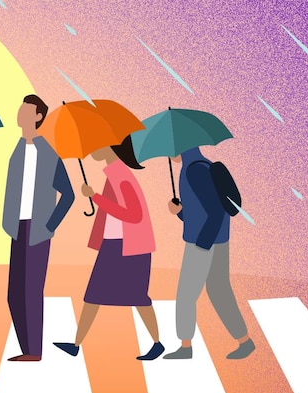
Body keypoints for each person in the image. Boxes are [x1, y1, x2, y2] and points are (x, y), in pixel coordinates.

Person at [53, 135, 164, 360]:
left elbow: (133, 215)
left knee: (138, 298)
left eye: (96, 143)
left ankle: (157, 343)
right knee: (93, 295)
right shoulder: (114, 173)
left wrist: (95, 197)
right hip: (115, 244)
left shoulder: (120, 175)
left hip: (129, 247)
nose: (92, 148)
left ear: (110, 146)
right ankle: (76, 344)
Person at [163, 146, 255, 360]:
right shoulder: (202, 166)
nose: (170, 155)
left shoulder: (193, 171)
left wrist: (202, 245)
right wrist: (181, 212)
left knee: (186, 294)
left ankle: (185, 347)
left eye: (171, 150)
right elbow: (200, 212)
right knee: (219, 290)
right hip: (219, 239)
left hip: (202, 242)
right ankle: (244, 340)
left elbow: (214, 211)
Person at [2, 95, 75, 362]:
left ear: (37, 117)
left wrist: (49, 225)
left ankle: (33, 351)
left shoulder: (48, 153)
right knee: (13, 294)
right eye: (21, 108)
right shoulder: (19, 148)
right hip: (17, 229)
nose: (20, 113)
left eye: (26, 110)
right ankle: (27, 348)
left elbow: (68, 195)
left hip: (37, 230)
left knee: (31, 291)